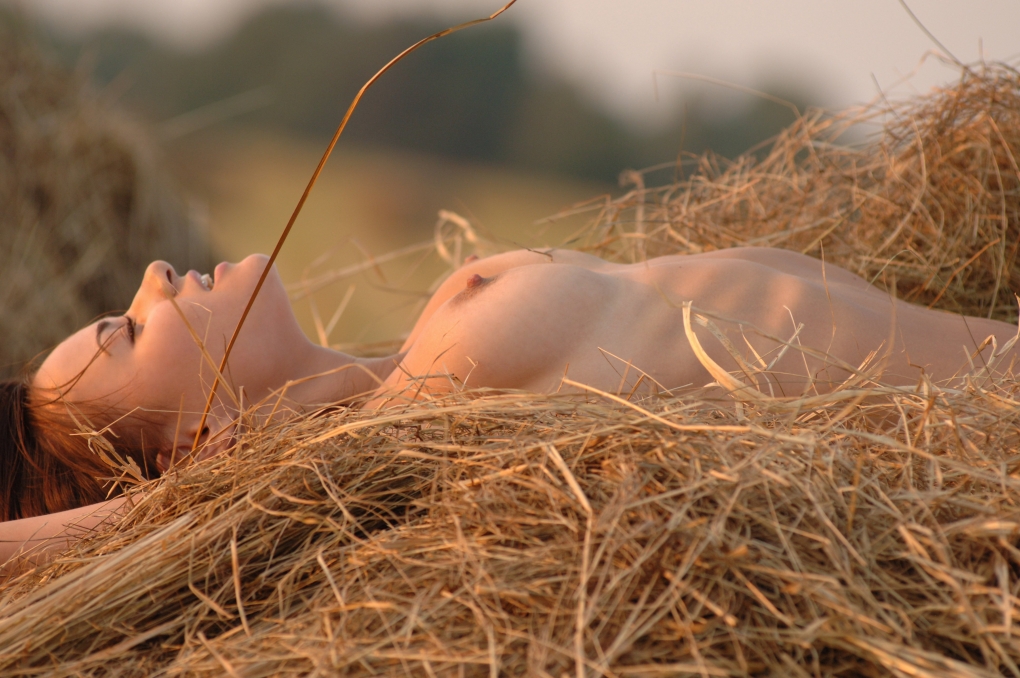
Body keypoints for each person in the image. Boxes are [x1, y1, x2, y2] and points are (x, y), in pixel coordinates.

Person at [2, 246, 1018, 570]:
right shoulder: (433, 401)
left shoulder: (423, 357)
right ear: (203, 449)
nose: (147, 276)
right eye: (126, 335)